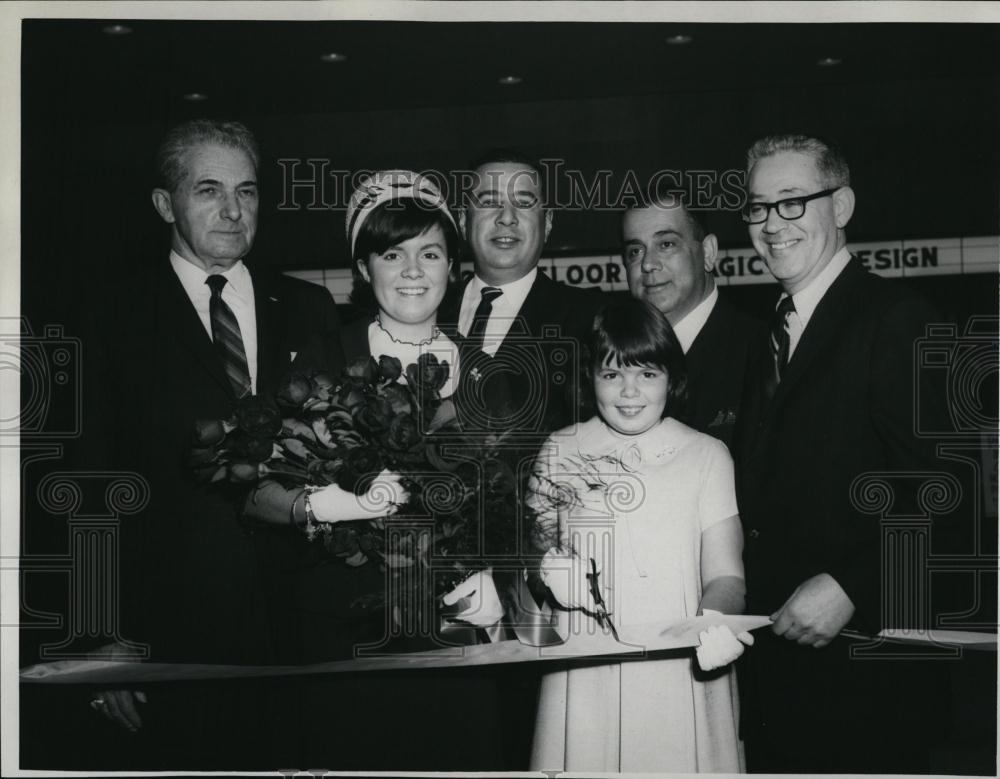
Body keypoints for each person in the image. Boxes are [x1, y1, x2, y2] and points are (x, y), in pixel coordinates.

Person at [85, 119, 346, 768]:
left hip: (302, 629)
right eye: (209, 190)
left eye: (248, 191)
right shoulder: (109, 318)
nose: (233, 210)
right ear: (164, 203)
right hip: (172, 633)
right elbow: (80, 479)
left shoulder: (310, 308)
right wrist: (96, 634)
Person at [246, 170, 506, 772]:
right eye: (393, 253)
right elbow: (256, 491)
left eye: (430, 252)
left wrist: (506, 580)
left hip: (456, 631)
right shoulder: (324, 360)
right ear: (364, 268)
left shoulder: (490, 373)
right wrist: (321, 505)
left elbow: (518, 498)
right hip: (345, 633)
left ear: (452, 265)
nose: (413, 270)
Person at [733, 133, 950, 773]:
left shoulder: (896, 316)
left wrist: (855, 584)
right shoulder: (766, 334)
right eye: (758, 207)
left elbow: (945, 490)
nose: (772, 225)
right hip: (778, 674)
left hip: (867, 678)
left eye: (793, 202)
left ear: (843, 205)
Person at [528, 298, 751, 773]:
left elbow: (728, 575)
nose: (629, 392)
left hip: (681, 669)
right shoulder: (559, 449)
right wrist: (544, 571)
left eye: (647, 374)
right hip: (583, 671)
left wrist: (715, 623)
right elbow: (530, 560)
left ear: (672, 378)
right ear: (591, 378)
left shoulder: (708, 455)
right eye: (612, 375)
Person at [452, 149, 605, 436]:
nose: (506, 217)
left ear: (547, 223)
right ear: (463, 220)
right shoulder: (426, 310)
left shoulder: (590, 318)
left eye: (523, 203)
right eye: (489, 202)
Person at [621, 194, 762, 446]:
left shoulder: (761, 350)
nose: (648, 264)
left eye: (666, 244)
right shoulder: (615, 358)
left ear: (708, 252)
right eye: (635, 250)